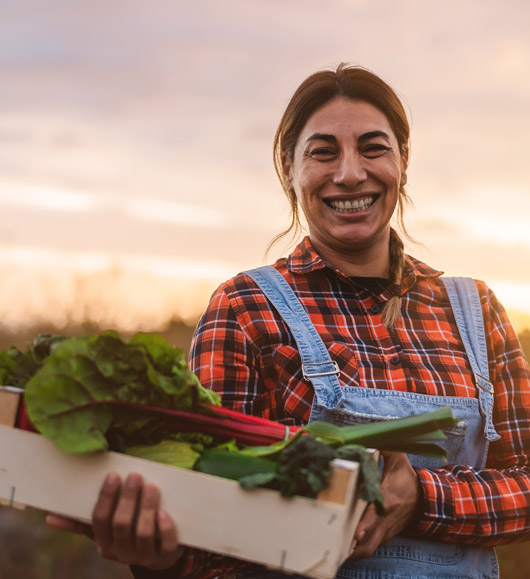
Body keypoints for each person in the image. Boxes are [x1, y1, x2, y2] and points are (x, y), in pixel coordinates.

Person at [48, 64, 530, 579]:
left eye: (373, 147)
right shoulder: (245, 308)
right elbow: (209, 517)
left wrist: (422, 498)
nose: (350, 173)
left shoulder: (476, 310)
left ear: (403, 161)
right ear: (289, 168)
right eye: (323, 152)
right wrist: (162, 558)